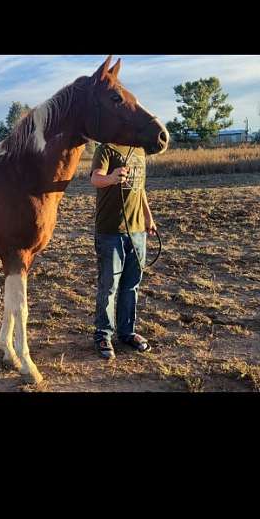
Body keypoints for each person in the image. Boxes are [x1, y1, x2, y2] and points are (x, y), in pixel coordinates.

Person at [90, 142, 157, 361]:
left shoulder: (139, 150)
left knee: (131, 285)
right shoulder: (106, 149)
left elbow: (140, 188)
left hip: (137, 231)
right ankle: (103, 335)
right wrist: (111, 178)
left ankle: (127, 333)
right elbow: (95, 178)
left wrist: (148, 217)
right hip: (110, 231)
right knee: (109, 285)